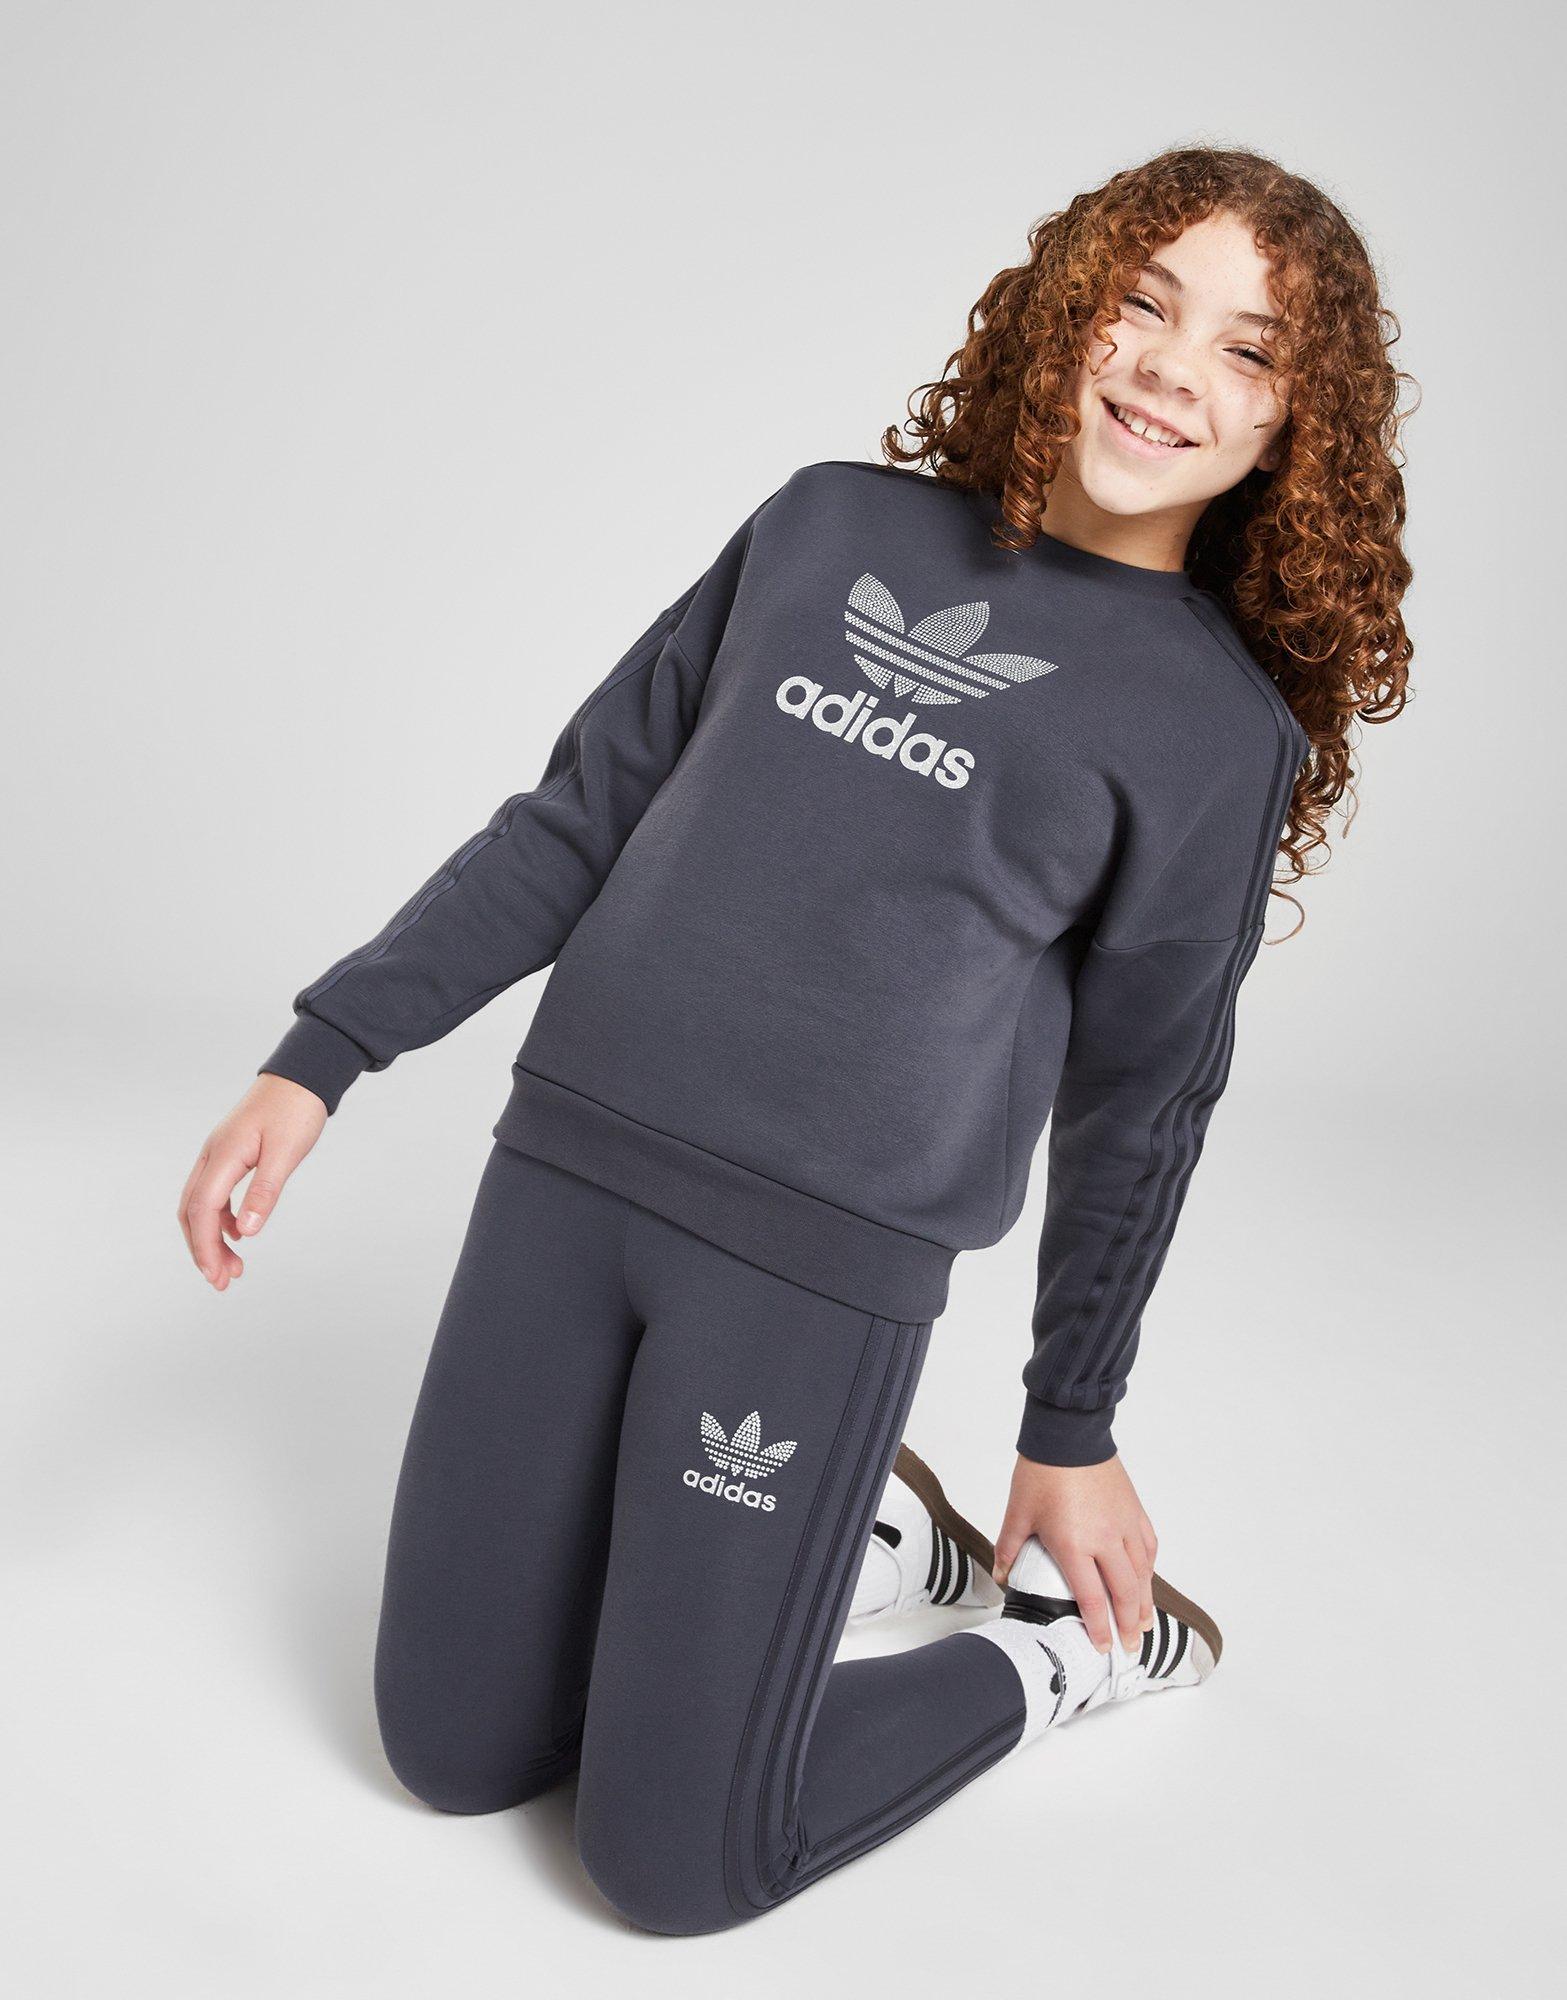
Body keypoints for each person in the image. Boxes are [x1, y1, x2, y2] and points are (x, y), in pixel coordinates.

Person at [177, 144, 1414, 1934]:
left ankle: (1050, 1655)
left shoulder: (1212, 733)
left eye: (1247, 349)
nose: (1168, 368)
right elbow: (578, 817)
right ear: (1068, 309)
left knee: (674, 1863)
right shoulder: (831, 525)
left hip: (811, 1277)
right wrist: (324, 1053)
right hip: (565, 1183)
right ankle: (876, 1540)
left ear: (1294, 426)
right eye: (1143, 304)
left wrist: (1068, 1424)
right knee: (449, 1754)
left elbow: (1143, 1103)